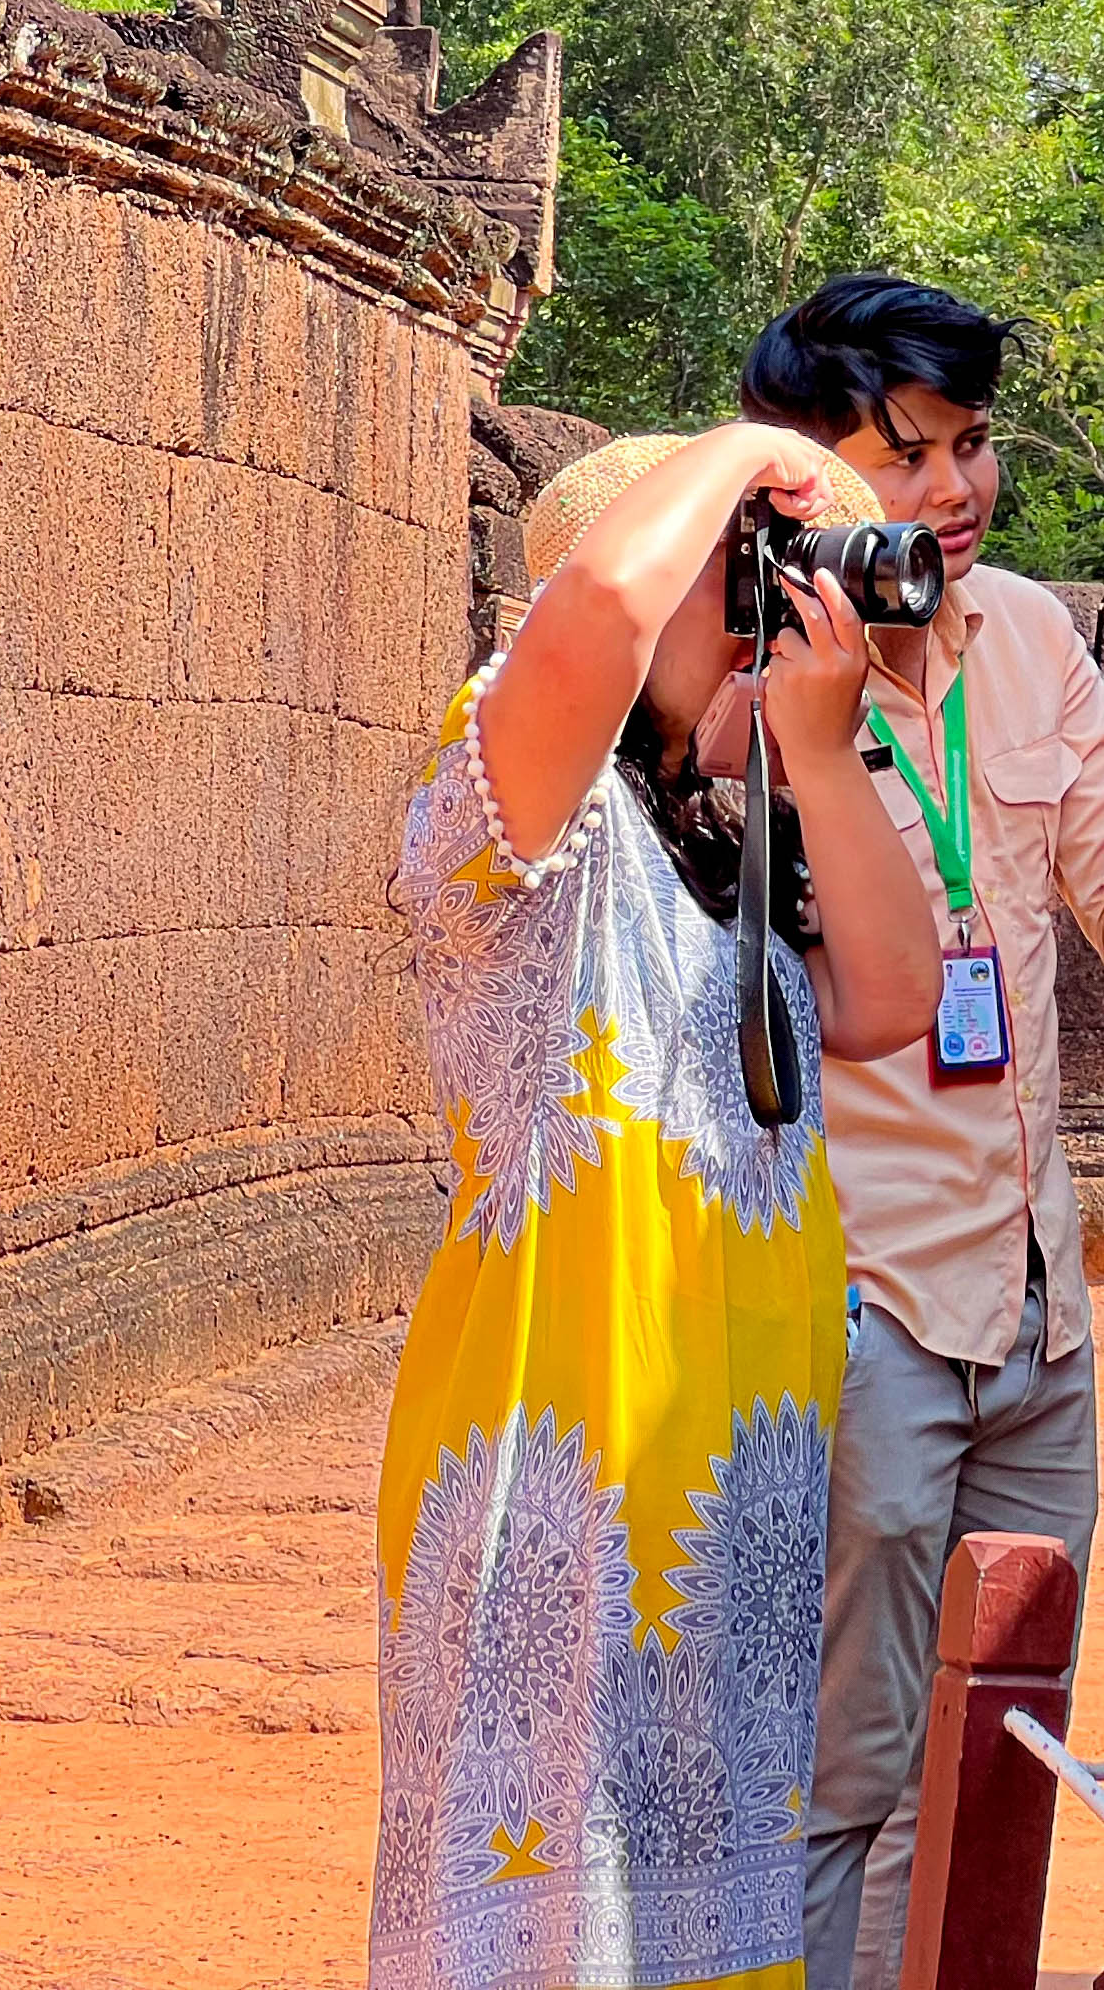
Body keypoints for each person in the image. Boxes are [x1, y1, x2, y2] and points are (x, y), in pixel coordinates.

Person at [371, 425, 944, 1990]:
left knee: (705, 1932)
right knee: (548, 1927)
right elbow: (598, 615)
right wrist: (758, 447)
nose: (754, 619)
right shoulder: (518, 828)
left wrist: (816, 755)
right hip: (561, 1489)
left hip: (722, 1534)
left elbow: (897, 995)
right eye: (733, 590)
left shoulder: (730, 862)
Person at [743, 276, 1104, 1990]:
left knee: (1007, 1738)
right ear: (802, 462)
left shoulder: (1029, 637)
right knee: (849, 1762)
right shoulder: (740, 686)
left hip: (1039, 1302)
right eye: (912, 451)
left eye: (973, 447)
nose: (954, 489)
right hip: (869, 1292)